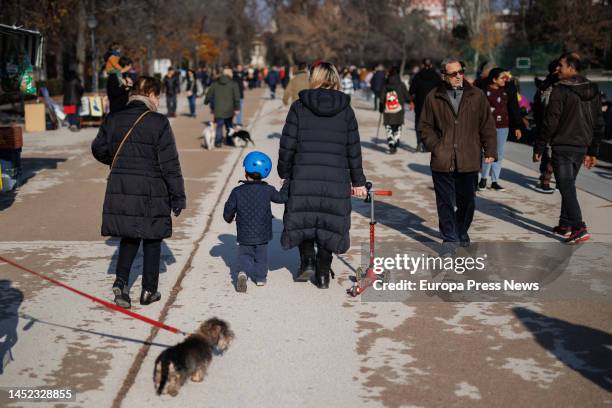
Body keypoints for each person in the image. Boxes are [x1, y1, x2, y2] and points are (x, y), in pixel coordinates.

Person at [91, 76, 186, 308]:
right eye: (158, 96)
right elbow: (169, 163)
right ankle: (148, 291)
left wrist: (118, 161)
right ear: (151, 94)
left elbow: (98, 148)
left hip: (121, 186)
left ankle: (121, 282)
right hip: (152, 189)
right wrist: (178, 196)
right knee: (152, 239)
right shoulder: (158, 122)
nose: (159, 101)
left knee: (129, 236)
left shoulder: (113, 117)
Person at [278, 62, 367, 288]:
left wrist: (284, 172)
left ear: (314, 78)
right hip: (335, 178)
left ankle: (307, 261)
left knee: (305, 218)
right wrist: (359, 181)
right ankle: (324, 270)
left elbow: (288, 144)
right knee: (328, 222)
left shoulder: (299, 107)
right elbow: (353, 150)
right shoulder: (346, 110)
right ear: (335, 78)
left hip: (304, 174)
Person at [420, 58, 497, 247]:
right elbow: (425, 127)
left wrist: (490, 150)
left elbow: (487, 125)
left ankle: (461, 230)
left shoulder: (477, 95)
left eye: (461, 72)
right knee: (445, 202)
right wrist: (436, 146)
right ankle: (449, 237)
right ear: (444, 75)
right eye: (454, 73)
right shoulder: (433, 96)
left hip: (468, 158)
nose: (459, 76)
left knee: (467, 202)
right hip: (442, 159)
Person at [533, 52, 605, 244]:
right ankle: (565, 224)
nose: (558, 69)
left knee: (565, 185)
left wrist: (539, 145)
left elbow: (550, 121)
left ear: (572, 69)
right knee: (568, 185)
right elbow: (599, 122)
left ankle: (579, 227)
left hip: (563, 145)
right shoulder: (593, 89)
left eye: (561, 66)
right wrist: (593, 150)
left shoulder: (561, 89)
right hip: (581, 145)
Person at [223, 151, 289, 291]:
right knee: (261, 257)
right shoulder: (268, 190)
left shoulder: (237, 191)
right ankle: (260, 278)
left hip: (244, 233)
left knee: (245, 254)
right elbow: (282, 198)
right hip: (262, 233)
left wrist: (228, 218)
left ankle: (242, 273)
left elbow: (229, 209)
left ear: (246, 172)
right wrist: (286, 184)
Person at [478, 68, 523, 191]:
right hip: (487, 127)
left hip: (503, 127)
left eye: (506, 78)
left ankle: (494, 181)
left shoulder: (507, 90)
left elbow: (514, 108)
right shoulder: (483, 90)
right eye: (502, 78)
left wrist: (517, 127)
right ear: (494, 79)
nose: (505, 80)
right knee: (487, 152)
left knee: (499, 153)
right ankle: (483, 179)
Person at [532, 59, 560, 193]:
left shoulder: (563, 85)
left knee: (550, 154)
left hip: (558, 127)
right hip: (548, 125)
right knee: (548, 153)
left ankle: (552, 177)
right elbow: (540, 107)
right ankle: (546, 179)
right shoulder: (547, 87)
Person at [409, 58, 443, 152]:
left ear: (423, 65)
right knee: (430, 125)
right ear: (431, 65)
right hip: (433, 104)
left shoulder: (417, 76)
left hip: (419, 103)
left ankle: (419, 142)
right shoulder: (436, 76)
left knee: (418, 124)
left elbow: (411, 90)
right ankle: (426, 144)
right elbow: (442, 90)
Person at [204, 67, 240, 147]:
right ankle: (229, 140)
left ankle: (218, 142)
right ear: (228, 74)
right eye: (231, 73)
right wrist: (237, 108)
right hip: (229, 109)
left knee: (219, 126)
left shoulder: (215, 83)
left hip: (218, 109)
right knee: (229, 126)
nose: (232, 74)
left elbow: (209, 94)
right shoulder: (233, 84)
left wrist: (206, 102)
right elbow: (236, 97)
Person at [379, 66, 410, 154]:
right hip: (399, 110)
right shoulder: (401, 84)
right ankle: (395, 141)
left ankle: (391, 143)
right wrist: (411, 99)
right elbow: (407, 97)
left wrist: (381, 108)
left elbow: (381, 98)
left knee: (388, 127)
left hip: (387, 110)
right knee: (397, 127)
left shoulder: (385, 85)